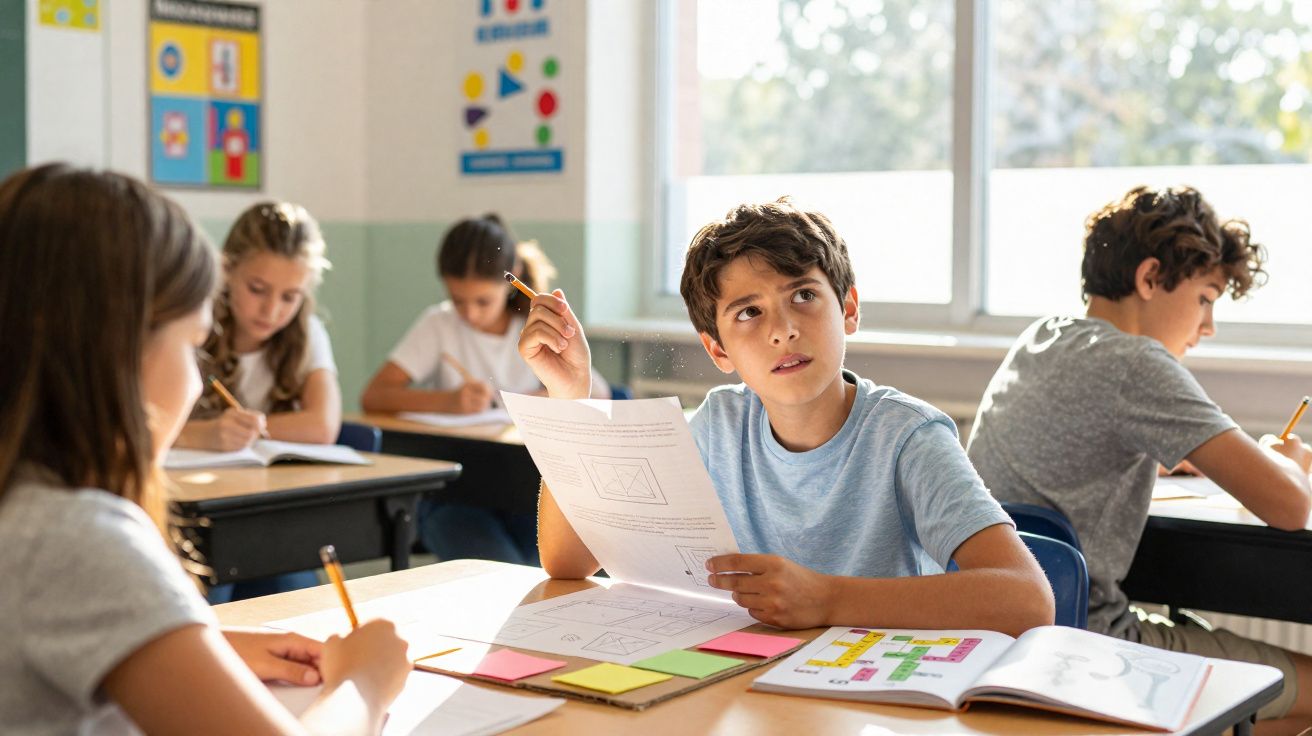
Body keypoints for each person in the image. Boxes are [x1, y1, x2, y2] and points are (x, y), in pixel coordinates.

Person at [0, 163, 409, 734]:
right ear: (118, 353)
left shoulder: (26, 507)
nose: (196, 380)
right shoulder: (76, 537)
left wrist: (198, 640)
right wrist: (366, 683)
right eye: (193, 344)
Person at [520, 197, 1054, 634]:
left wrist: (826, 599)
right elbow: (569, 562)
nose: (782, 330)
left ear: (848, 309)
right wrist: (571, 397)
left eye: (803, 295)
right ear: (718, 351)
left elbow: (1026, 599)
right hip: (752, 687)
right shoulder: (719, 425)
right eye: (748, 312)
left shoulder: (907, 437)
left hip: (873, 696)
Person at [966, 184, 1312, 730]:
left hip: (997, 638)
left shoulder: (1042, 337)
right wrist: (1290, 459)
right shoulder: (1137, 363)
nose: (1208, 328)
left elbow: (1079, 443)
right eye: (1205, 297)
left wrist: (1167, 455)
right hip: (1087, 645)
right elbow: (1290, 506)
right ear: (1150, 278)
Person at [361, 214, 607, 566]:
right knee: (499, 573)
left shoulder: (534, 326)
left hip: (526, 493)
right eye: (458, 300)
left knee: (545, 576)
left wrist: (544, 397)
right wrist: (447, 402)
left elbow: (597, 394)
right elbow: (374, 397)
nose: (470, 314)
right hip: (456, 496)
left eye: (482, 302)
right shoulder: (439, 324)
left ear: (511, 281)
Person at [177, 201, 341, 452]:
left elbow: (323, 426)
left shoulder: (309, 331)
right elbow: (141, 426)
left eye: (289, 297)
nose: (271, 311)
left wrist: (242, 431)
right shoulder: (191, 323)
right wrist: (204, 434)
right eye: (257, 289)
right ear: (226, 269)